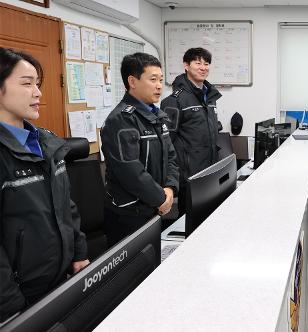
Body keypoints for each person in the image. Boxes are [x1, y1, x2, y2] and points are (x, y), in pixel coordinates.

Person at [0, 48, 89, 321]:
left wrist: (79, 253)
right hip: (18, 298)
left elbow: (65, 205)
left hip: (58, 279)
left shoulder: (46, 142)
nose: (38, 92)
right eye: (27, 83)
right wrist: (9, 305)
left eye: (37, 83)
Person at [100, 52, 179, 246]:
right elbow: (130, 171)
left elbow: (171, 157)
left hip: (154, 206)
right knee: (134, 272)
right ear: (132, 81)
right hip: (129, 214)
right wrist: (162, 198)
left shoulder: (156, 116)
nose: (159, 85)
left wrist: (169, 189)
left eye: (160, 79)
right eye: (153, 79)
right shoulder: (121, 119)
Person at [160, 47, 222, 215]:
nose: (203, 67)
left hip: (210, 170)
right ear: (186, 66)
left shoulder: (209, 97)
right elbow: (166, 142)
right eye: (198, 63)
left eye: (206, 63)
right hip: (190, 175)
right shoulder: (174, 100)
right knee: (191, 222)